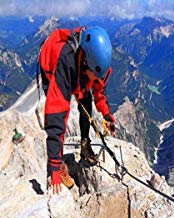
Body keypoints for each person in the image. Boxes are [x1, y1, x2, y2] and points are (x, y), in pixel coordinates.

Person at [38, 26, 117, 195]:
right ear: (85, 62)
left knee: (85, 101)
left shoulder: (95, 62)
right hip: (51, 68)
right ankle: (58, 164)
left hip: (77, 70)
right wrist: (53, 164)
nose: (97, 79)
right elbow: (56, 115)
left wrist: (106, 114)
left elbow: (99, 89)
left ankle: (84, 144)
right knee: (60, 111)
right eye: (94, 75)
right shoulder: (65, 63)